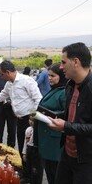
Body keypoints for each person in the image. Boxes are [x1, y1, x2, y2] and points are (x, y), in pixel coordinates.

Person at [0, 60, 42, 183]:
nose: (0, 77)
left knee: (32, 150)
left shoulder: (26, 81)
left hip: (30, 120)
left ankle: (35, 178)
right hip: (20, 119)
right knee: (22, 148)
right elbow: (0, 96)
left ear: (7, 72)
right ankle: (26, 175)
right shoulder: (9, 84)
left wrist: (34, 117)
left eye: (1, 74)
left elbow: (38, 99)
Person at [48, 42, 92, 184]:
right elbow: (73, 114)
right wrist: (54, 117)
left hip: (86, 159)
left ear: (76, 62)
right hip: (67, 154)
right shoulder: (70, 86)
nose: (61, 67)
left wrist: (65, 126)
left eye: (63, 62)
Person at [33, 63, 67, 184]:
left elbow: (66, 114)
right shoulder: (54, 90)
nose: (49, 78)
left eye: (53, 76)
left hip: (55, 142)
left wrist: (47, 114)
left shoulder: (64, 92)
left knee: (56, 176)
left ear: (62, 76)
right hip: (47, 140)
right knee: (50, 174)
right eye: (48, 76)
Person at [0, 74, 17, 147]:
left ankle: (11, 150)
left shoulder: (15, 79)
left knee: (12, 131)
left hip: (12, 109)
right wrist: (2, 96)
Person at [22, 120, 43, 184]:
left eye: (33, 121)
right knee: (29, 169)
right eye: (30, 120)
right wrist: (24, 153)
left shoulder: (40, 130)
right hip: (29, 149)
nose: (31, 122)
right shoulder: (28, 130)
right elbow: (25, 142)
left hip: (36, 151)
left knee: (36, 171)